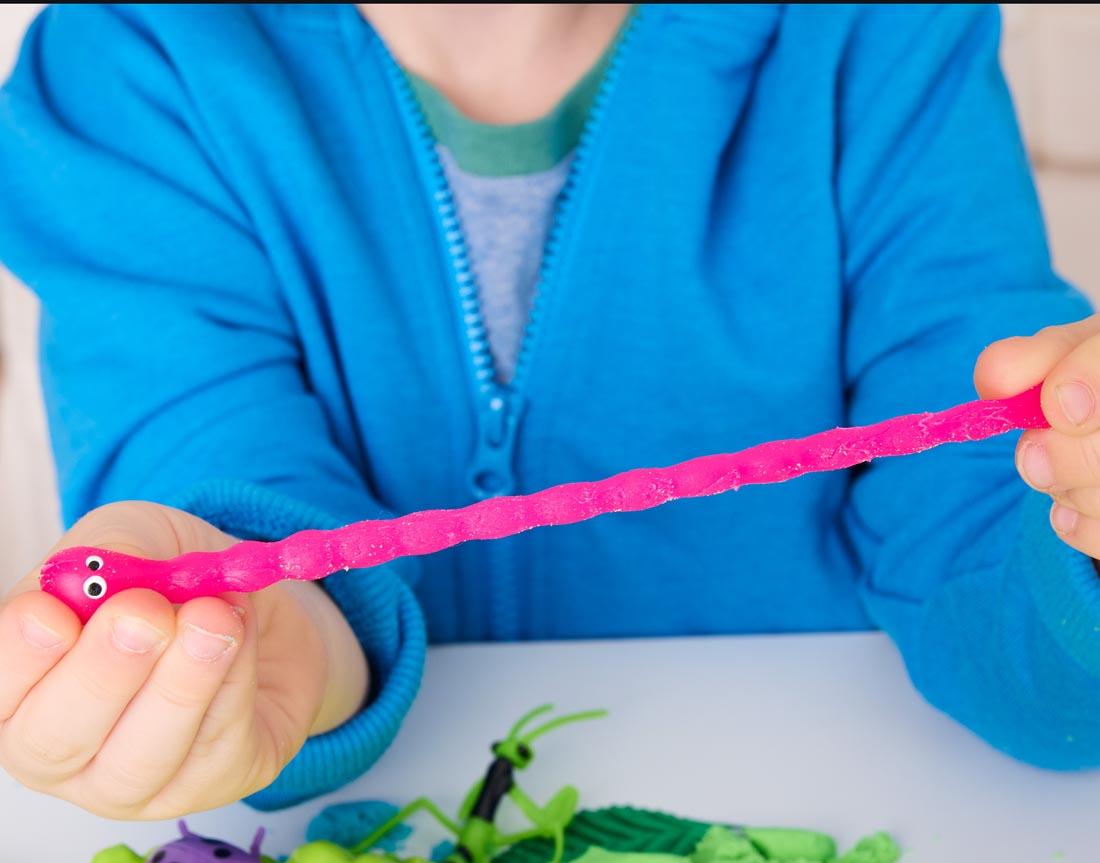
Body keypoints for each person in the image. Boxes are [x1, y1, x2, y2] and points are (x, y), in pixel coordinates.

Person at [0, 4, 1096, 820]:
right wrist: (272, 638)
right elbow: (214, 463)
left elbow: (990, 548)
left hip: (814, 830)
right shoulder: (129, 63)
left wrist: (1081, 535)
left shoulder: (879, 34)